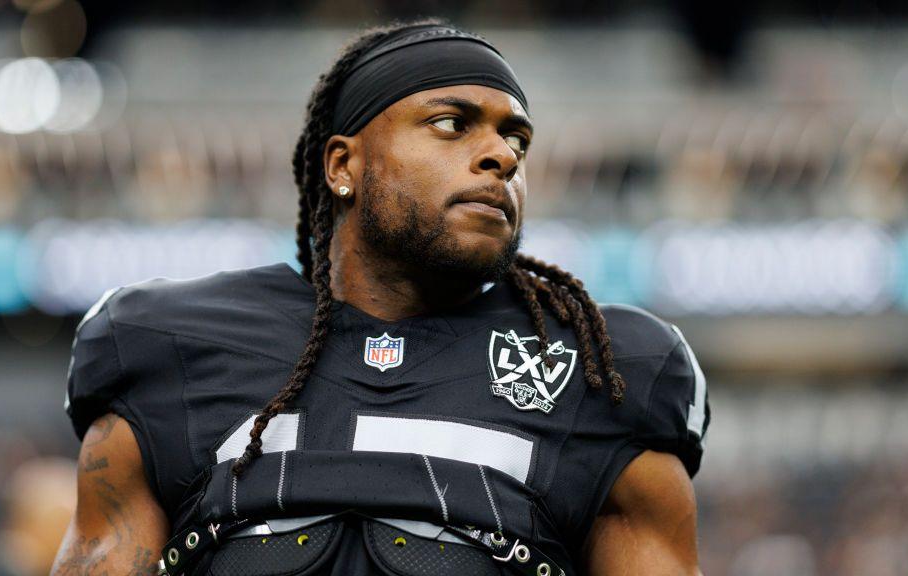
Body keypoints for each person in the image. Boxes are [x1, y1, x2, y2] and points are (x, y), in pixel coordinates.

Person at [53, 19, 710, 576]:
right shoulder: (169, 343)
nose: (502, 158)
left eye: (517, 140)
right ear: (343, 166)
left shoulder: (607, 371)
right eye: (453, 123)